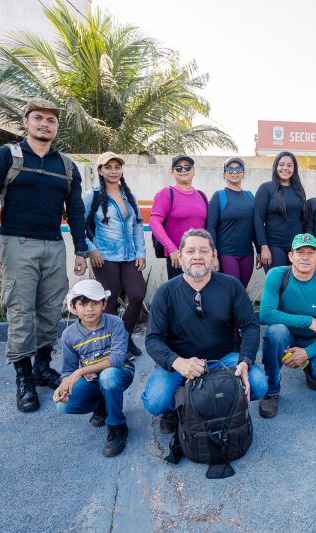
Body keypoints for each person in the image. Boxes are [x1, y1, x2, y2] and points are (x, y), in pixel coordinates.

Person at [0, 98, 88, 413]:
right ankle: (23, 378)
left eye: (51, 120)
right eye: (38, 118)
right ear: (26, 122)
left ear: (56, 127)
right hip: (16, 244)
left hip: (53, 245)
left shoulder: (66, 166)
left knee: (51, 311)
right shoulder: (4, 157)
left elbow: (75, 210)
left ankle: (42, 367)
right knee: (21, 313)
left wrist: (80, 248)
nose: (44, 124)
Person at [141, 229, 268, 434]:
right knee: (156, 401)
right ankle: (177, 406)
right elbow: (153, 339)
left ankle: (225, 402)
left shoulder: (231, 286)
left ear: (214, 256)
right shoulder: (165, 292)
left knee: (259, 384)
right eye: (190, 251)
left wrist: (245, 361)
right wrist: (178, 362)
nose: (197, 256)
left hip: (224, 357)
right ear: (180, 257)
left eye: (204, 251)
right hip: (179, 361)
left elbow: (251, 326)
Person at [258, 234, 316, 418]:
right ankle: (271, 391)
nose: (305, 257)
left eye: (310, 253)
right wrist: (308, 320)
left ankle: (309, 367)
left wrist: (307, 353)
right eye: (300, 252)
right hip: (286, 335)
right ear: (291, 256)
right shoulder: (277, 275)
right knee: (276, 332)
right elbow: (265, 313)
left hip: (312, 339)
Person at [54, 280, 135, 457]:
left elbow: (118, 359)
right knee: (62, 406)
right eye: (83, 304)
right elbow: (68, 370)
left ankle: (117, 425)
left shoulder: (114, 323)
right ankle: (102, 405)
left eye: (95, 303)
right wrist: (64, 386)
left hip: (120, 373)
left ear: (104, 304)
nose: (89, 309)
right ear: (73, 307)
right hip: (92, 378)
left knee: (108, 376)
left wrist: (81, 371)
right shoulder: (69, 335)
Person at [84, 152, 146, 356]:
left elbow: (137, 226)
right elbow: (78, 227)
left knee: (137, 295)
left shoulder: (129, 196)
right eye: (108, 167)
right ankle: (107, 346)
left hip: (129, 257)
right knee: (107, 303)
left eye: (117, 167)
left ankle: (125, 337)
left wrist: (141, 253)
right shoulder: (91, 196)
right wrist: (91, 249)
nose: (113, 171)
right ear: (100, 171)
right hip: (104, 257)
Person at [150, 154, 208, 279]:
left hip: (199, 257)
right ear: (172, 173)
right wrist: (172, 249)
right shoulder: (166, 194)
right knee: (179, 294)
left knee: (200, 293)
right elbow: (154, 223)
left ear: (193, 172)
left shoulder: (201, 196)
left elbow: (208, 227)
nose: (183, 170)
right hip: (177, 256)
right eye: (178, 168)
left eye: (187, 167)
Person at [206, 157, 258, 288]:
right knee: (232, 290)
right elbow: (210, 227)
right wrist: (213, 255)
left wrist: (259, 250)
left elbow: (255, 226)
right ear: (224, 174)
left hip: (247, 254)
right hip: (227, 254)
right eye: (230, 169)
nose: (234, 172)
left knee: (241, 291)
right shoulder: (219, 196)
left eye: (238, 169)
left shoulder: (250, 196)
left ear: (243, 173)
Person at [254, 151, 307, 271]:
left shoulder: (299, 190)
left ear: (294, 168)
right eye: (281, 164)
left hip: (296, 248)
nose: (285, 168)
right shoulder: (266, 188)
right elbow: (257, 220)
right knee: (279, 285)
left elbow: (303, 220)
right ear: (276, 167)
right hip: (273, 247)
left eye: (289, 165)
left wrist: (304, 248)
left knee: (294, 287)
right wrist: (263, 247)